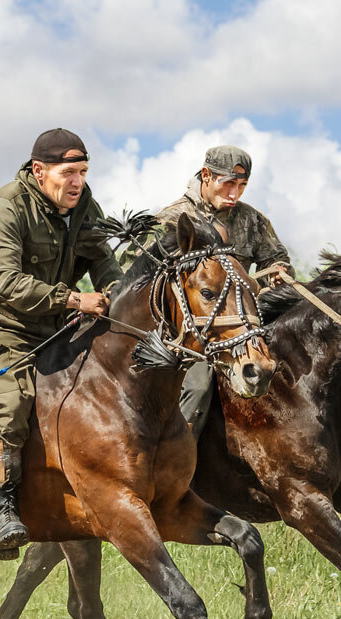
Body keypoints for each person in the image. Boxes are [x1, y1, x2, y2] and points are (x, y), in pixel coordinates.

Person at [0, 128, 122, 560]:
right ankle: (5, 506)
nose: (78, 182)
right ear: (39, 170)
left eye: (84, 172)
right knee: (11, 398)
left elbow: (103, 260)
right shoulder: (4, 209)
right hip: (3, 329)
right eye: (69, 172)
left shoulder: (85, 205)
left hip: (59, 326)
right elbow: (5, 281)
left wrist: (121, 297)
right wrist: (74, 298)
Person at [138, 145, 294, 437]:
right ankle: (177, 460)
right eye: (229, 184)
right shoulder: (171, 219)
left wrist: (280, 272)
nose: (235, 193)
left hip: (242, 324)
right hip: (191, 334)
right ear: (207, 176)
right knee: (197, 387)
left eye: (242, 186)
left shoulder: (252, 221)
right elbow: (139, 281)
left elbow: (277, 258)